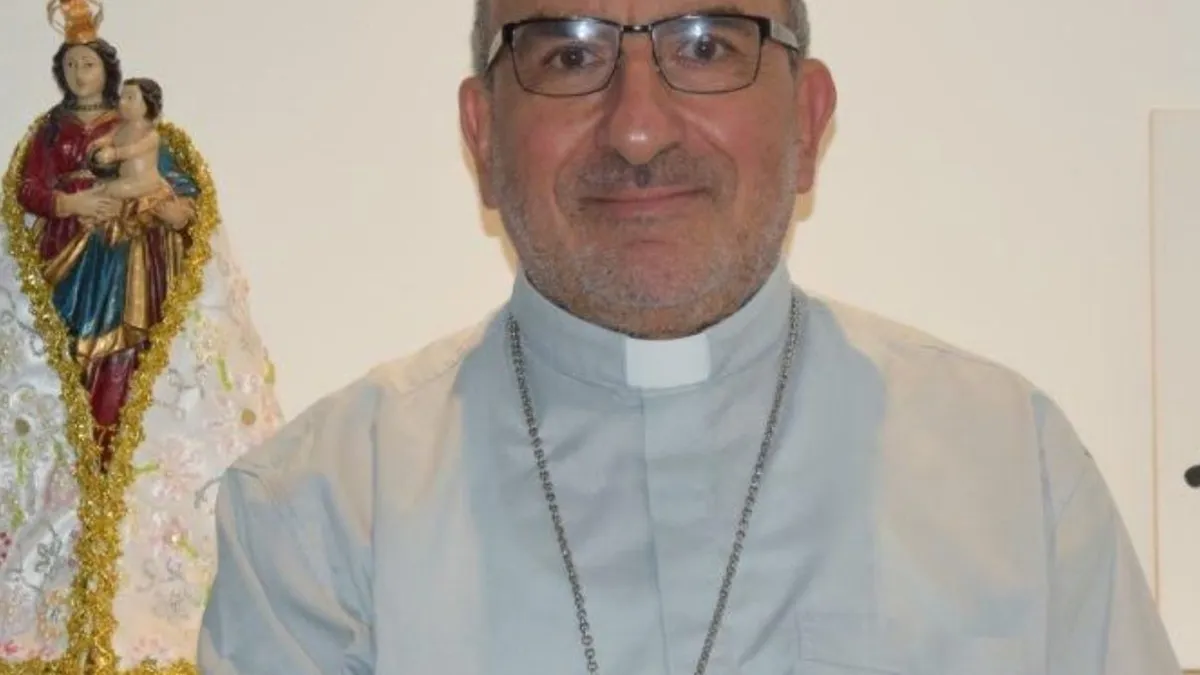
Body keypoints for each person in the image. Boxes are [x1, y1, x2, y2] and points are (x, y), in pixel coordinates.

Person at [197, 0, 1183, 673]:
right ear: (483, 136)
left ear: (808, 120)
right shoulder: (321, 517)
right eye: (569, 53)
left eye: (707, 45)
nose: (637, 127)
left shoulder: (1011, 471)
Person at [1, 0, 282, 669]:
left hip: (132, 273)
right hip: (70, 267)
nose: (82, 74)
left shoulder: (148, 135)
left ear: (111, 71)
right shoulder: (48, 132)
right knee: (74, 377)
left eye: (90, 64)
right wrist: (73, 201)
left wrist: (154, 204)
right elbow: (27, 191)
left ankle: (119, 460)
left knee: (127, 369)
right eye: (71, 64)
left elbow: (185, 203)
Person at [91, 77, 172, 202]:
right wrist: (100, 142)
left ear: (148, 104)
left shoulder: (151, 135)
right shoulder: (121, 126)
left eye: (130, 98)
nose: (122, 102)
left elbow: (133, 150)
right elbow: (110, 137)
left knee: (110, 190)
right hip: (125, 178)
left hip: (144, 182)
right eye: (122, 97)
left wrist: (114, 154)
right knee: (100, 187)